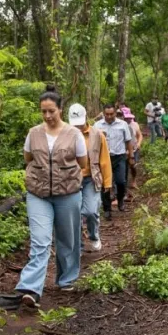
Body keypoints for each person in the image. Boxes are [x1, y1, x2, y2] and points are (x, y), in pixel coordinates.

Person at [18, 86, 88, 308]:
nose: (47, 116)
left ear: (60, 109)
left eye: (51, 111)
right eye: (43, 112)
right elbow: (28, 158)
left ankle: (66, 279)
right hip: (38, 194)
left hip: (67, 194)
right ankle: (30, 289)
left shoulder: (74, 134)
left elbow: (83, 163)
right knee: (40, 241)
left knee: (67, 239)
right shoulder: (33, 133)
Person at [69, 103, 112, 253]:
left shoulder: (97, 134)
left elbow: (104, 159)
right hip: (71, 180)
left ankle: (94, 236)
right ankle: (78, 246)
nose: (78, 127)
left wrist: (107, 181)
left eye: (80, 123)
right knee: (75, 214)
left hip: (91, 178)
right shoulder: (66, 134)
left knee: (91, 211)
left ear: (86, 118)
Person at [94, 104, 135, 215]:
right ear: (103, 114)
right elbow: (93, 143)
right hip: (103, 157)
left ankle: (120, 199)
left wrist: (131, 156)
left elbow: (128, 141)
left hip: (120, 156)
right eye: (107, 114)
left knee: (121, 181)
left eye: (111, 114)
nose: (109, 116)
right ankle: (107, 208)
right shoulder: (97, 125)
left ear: (115, 114)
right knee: (104, 184)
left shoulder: (123, 125)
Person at [123, 110, 143, 192]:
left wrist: (139, 143)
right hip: (123, 150)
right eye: (126, 118)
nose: (128, 119)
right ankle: (123, 186)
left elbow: (139, 135)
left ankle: (134, 181)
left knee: (133, 165)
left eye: (129, 118)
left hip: (134, 149)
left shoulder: (135, 124)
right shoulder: (120, 125)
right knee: (124, 167)